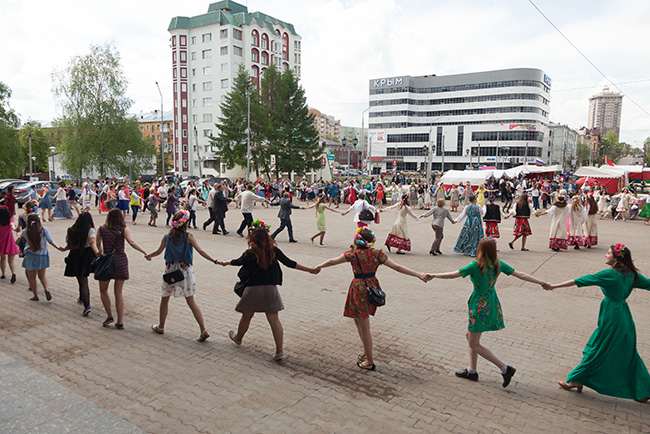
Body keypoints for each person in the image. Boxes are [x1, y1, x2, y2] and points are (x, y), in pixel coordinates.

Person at [427, 237, 548, 387]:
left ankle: (505, 368)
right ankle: (472, 370)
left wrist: (433, 275)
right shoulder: (497, 264)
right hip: (491, 301)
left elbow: (454, 274)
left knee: (474, 343)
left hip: (479, 304)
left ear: (480, 249)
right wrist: (541, 282)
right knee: (470, 335)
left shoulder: (476, 265)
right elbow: (521, 274)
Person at [545, 244, 650, 402]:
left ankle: (575, 379)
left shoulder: (610, 274)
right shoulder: (632, 274)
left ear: (616, 257)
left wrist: (554, 286)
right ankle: (644, 390)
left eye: (608, 253)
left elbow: (581, 280)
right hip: (624, 317)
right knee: (627, 353)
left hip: (612, 317)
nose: (605, 255)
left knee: (596, 349)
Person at [315, 228, 428, 370]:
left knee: (364, 325)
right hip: (371, 286)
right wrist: (418, 274)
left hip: (358, 288)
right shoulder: (376, 254)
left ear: (356, 240)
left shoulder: (353, 254)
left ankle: (370, 361)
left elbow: (332, 261)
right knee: (358, 320)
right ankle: (366, 351)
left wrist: (318, 267)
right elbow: (398, 267)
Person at [218, 220, 319, 361]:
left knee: (246, 316)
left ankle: (238, 338)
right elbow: (290, 263)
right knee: (274, 320)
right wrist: (310, 270)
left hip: (252, 290)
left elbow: (237, 262)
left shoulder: (249, 253)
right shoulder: (274, 251)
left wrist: (224, 262)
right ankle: (279, 352)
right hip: (270, 290)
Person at [146, 210, 219, 342]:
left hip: (170, 271)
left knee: (165, 299)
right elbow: (201, 251)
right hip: (185, 271)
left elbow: (158, 251)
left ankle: (161, 326)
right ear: (185, 223)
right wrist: (214, 260)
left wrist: (148, 255)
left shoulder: (167, 237)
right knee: (191, 301)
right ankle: (203, 329)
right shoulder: (189, 236)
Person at [96, 209, 148, 329]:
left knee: (103, 290)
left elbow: (98, 245)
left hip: (106, 263)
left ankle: (109, 315)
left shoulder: (101, 229)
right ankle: (120, 321)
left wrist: (99, 253)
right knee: (118, 293)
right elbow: (131, 241)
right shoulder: (123, 229)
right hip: (120, 261)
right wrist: (143, 251)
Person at [62, 212, 100, 316]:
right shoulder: (91, 230)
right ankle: (85, 302)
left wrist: (63, 249)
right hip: (87, 255)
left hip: (75, 255)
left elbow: (69, 245)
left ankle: (85, 302)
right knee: (84, 281)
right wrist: (97, 252)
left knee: (81, 279)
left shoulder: (71, 230)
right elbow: (92, 242)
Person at [22, 214, 64, 301]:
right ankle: (46, 289)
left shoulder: (25, 231)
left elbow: (20, 241)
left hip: (30, 255)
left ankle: (35, 295)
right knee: (42, 276)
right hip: (42, 255)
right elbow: (50, 240)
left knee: (32, 278)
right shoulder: (44, 230)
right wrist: (58, 248)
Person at [0, 206, 18, 283]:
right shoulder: (10, 219)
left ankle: (3, 274)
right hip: (9, 241)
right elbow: (12, 225)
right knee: (11, 260)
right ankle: (13, 272)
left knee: (3, 258)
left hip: (1, 241)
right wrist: (15, 229)